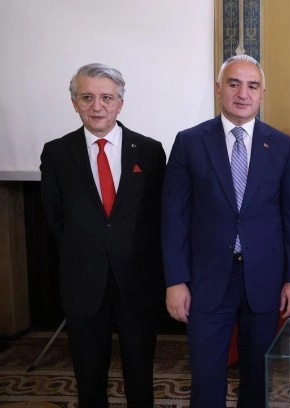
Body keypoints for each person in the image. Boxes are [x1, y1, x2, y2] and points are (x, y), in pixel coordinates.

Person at [161, 54, 290, 407]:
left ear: (261, 94)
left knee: (258, 375)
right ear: (218, 89)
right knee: (206, 374)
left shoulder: (283, 146)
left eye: (252, 86)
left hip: (265, 280)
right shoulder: (189, 142)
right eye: (234, 84)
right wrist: (175, 281)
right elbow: (173, 218)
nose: (243, 93)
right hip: (206, 279)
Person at [40, 63, 166, 407]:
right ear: (74, 103)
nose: (97, 106)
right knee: (89, 375)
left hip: (137, 281)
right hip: (83, 282)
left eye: (106, 98)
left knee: (140, 373)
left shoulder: (150, 151)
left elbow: (159, 216)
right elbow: (55, 217)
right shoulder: (57, 153)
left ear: (120, 103)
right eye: (87, 97)